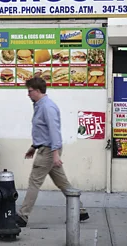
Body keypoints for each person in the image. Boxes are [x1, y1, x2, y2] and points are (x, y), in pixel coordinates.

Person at [15, 77, 89, 227]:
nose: (28, 94)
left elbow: (54, 132)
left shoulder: (47, 107)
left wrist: (55, 154)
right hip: (45, 148)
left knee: (34, 182)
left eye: (29, 91)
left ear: (37, 90)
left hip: (48, 151)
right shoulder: (39, 105)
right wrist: (33, 147)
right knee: (62, 182)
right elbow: (42, 131)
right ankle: (80, 211)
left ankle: (23, 216)